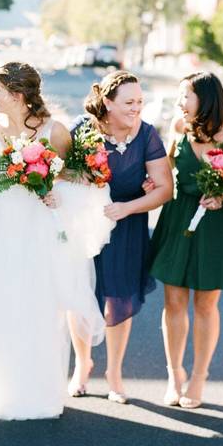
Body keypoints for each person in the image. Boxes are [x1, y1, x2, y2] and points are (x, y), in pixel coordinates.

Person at [0, 62, 103, 422]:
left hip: (36, 227)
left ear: (18, 95)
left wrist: (54, 194)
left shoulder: (56, 131)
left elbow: (75, 176)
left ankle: (35, 390)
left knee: (36, 304)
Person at [67, 71, 173, 404]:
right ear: (108, 103)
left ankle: (114, 371)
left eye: (139, 102)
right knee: (81, 295)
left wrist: (129, 208)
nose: (136, 108)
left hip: (127, 225)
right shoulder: (83, 131)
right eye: (129, 102)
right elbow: (59, 172)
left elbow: (164, 189)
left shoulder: (148, 135)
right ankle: (82, 364)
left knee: (120, 297)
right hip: (86, 225)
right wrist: (79, 177)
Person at [149, 72, 223, 408]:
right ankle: (174, 373)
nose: (180, 104)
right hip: (178, 217)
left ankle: (199, 376)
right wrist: (150, 184)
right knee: (173, 301)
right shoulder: (179, 128)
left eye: (185, 97)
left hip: (215, 224)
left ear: (205, 99)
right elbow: (164, 168)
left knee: (205, 305)